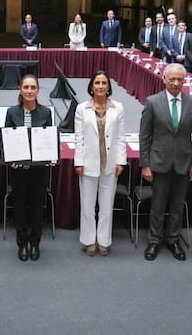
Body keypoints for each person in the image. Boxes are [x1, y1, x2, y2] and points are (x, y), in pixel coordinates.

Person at [139, 63, 192, 261]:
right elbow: (144, 136)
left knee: (177, 206)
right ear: (164, 79)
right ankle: (154, 240)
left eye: (179, 80)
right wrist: (145, 164)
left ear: (184, 81)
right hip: (159, 162)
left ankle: (173, 239)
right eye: (172, 79)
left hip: (184, 164)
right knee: (158, 206)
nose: (175, 83)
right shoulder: (152, 102)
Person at [74, 70, 126, 256]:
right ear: (91, 86)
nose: (101, 86)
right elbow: (78, 138)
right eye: (97, 83)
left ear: (109, 87)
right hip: (88, 163)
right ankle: (89, 240)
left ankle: (104, 241)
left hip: (110, 164)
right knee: (87, 207)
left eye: (104, 83)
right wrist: (78, 161)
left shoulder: (118, 108)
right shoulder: (82, 108)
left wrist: (121, 161)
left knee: (106, 207)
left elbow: (120, 137)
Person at [3, 74, 53, 261]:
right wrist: (11, 159)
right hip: (19, 170)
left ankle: (35, 243)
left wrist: (51, 156)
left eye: (33, 87)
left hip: (39, 171)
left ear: (38, 90)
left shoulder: (46, 113)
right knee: (20, 208)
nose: (30, 91)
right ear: (20, 89)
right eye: (26, 87)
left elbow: (49, 139)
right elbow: (7, 140)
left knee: (38, 208)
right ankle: (22, 243)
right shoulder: (11, 112)